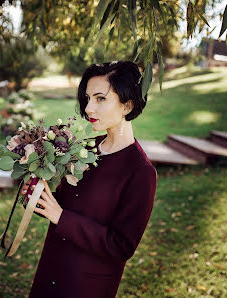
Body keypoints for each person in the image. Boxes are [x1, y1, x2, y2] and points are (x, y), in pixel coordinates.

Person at [24, 61, 157, 298]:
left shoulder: (141, 171)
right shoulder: (84, 149)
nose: (88, 108)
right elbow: (59, 203)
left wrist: (61, 217)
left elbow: (122, 246)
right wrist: (35, 192)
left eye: (100, 99)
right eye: (87, 98)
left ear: (127, 105)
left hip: (85, 285)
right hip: (50, 271)